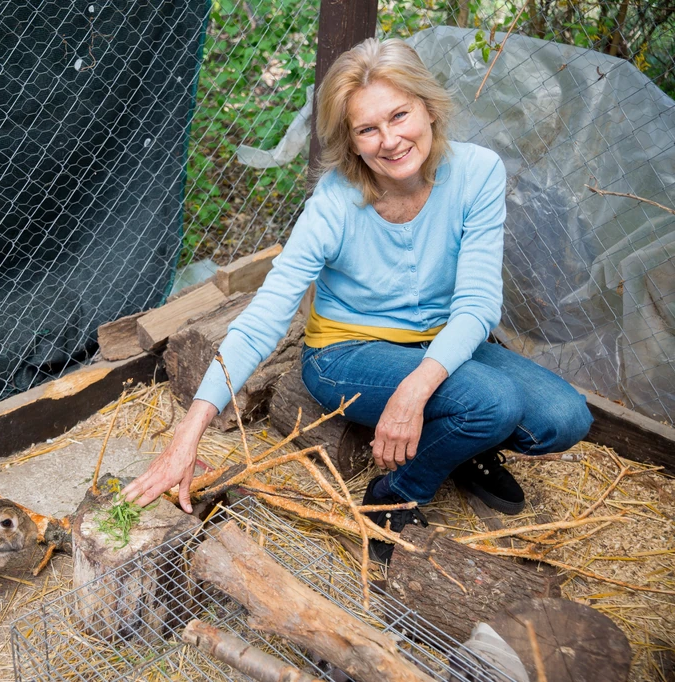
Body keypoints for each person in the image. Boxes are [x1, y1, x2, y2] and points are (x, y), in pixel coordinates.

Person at [122, 38, 592, 561]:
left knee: (564, 417)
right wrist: (188, 436)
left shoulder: (478, 172)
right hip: (348, 353)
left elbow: (478, 305)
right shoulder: (333, 205)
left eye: (399, 115)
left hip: (440, 340)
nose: (390, 140)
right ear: (350, 140)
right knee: (492, 401)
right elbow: (264, 317)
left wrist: (414, 394)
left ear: (429, 109)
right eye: (368, 129)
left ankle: (460, 443)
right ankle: (393, 496)